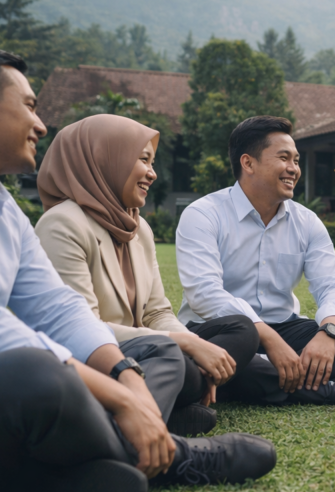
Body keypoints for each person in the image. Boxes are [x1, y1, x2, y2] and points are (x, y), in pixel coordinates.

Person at [0, 46, 276, 492]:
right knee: (34, 369)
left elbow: (57, 308)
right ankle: (171, 457)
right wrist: (121, 399)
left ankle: (49, 478)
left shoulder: (1, 209)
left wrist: (127, 376)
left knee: (116, 358)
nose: (41, 126)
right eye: (30, 106)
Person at [35, 114, 269, 437]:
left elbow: (157, 312)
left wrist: (193, 345)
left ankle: (168, 407)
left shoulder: (137, 226)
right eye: (143, 159)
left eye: (153, 161)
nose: (152, 173)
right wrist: (182, 342)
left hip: (154, 354)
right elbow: (80, 329)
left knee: (241, 330)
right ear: (106, 158)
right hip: (102, 361)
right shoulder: (62, 224)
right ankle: (133, 431)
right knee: (178, 359)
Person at [176, 115, 335, 407]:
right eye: (284, 158)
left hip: (285, 326)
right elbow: (204, 294)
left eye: (296, 160)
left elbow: (332, 285)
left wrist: (328, 334)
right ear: (248, 163)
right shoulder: (203, 215)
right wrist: (269, 341)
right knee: (223, 358)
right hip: (223, 331)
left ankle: (272, 376)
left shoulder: (306, 221)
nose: (293, 169)